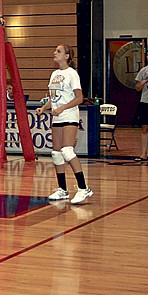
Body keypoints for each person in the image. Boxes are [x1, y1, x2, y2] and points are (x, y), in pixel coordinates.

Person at [36, 44, 93, 204]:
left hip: (69, 116)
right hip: (57, 118)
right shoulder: (54, 74)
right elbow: (53, 97)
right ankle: (63, 189)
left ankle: (83, 188)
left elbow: (79, 98)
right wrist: (44, 107)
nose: (55, 53)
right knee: (56, 154)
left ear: (67, 56)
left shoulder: (72, 74)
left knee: (67, 151)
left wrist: (62, 108)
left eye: (59, 51)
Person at [134, 47, 148, 162]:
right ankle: (143, 154)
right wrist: (142, 83)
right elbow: (137, 88)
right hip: (146, 101)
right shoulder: (143, 71)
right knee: (145, 128)